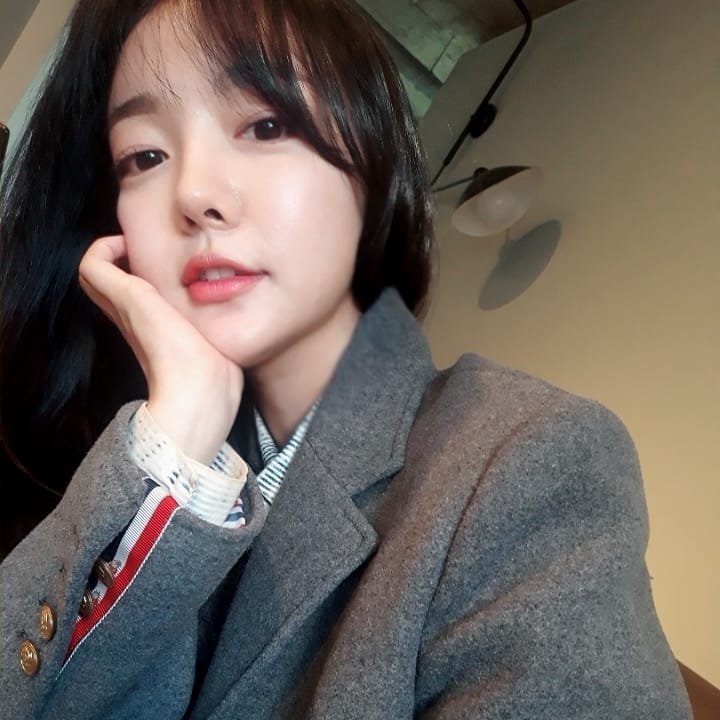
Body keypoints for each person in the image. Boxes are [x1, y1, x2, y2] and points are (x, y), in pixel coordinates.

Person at [0, 0, 692, 717]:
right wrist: (174, 444)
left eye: (266, 125)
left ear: (372, 166)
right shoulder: (122, 438)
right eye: (145, 157)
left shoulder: (526, 459)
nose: (195, 193)